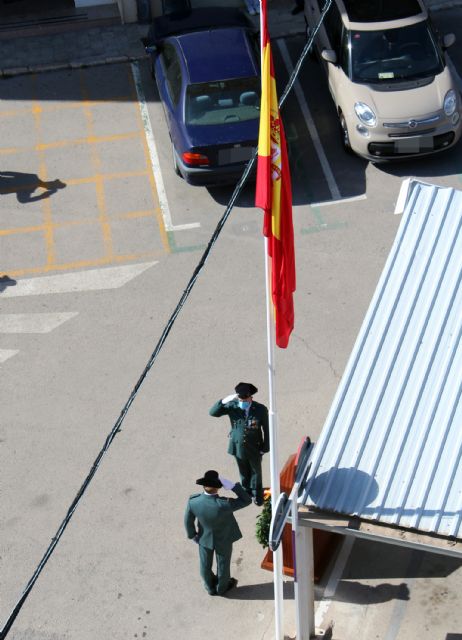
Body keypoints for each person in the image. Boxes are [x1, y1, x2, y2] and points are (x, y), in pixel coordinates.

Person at [184, 470, 252, 596]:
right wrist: (233, 486)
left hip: (204, 539)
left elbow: (188, 520)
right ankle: (222, 588)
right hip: (224, 539)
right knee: (223, 565)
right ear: (218, 488)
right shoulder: (224, 504)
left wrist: (192, 535)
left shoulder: (193, 501)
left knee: (205, 565)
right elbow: (246, 500)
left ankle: (210, 587)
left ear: (203, 486)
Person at [209, 382, 269, 506]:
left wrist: (265, 446)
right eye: (240, 399)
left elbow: (266, 429)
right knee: (243, 471)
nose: (242, 401)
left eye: (245, 399)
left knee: (256, 472)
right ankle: (246, 492)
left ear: (251, 397)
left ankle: (257, 494)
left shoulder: (260, 409)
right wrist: (224, 401)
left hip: (254, 447)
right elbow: (213, 413)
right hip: (237, 446)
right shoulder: (233, 406)